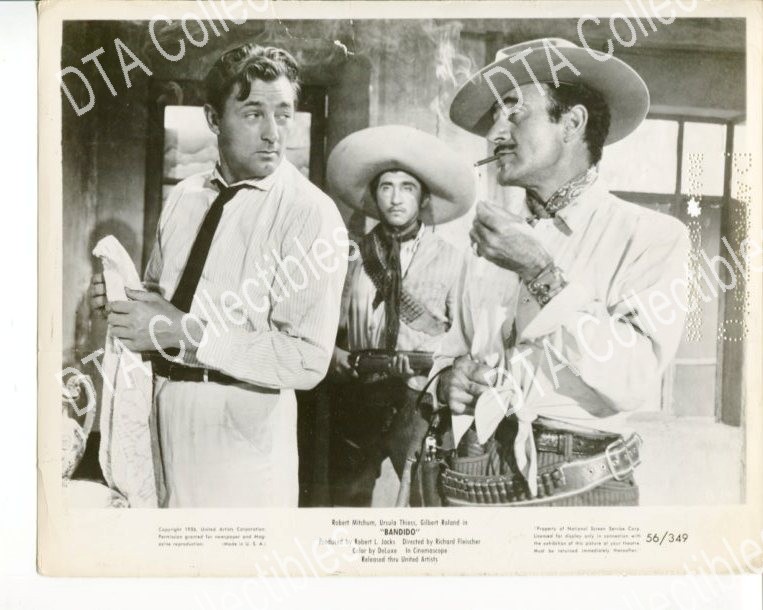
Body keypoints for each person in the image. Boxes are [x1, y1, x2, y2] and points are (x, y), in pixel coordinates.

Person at [431, 38, 690, 506]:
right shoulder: (488, 236)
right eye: (494, 117)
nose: (495, 133)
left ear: (572, 123)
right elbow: (451, 350)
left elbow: (632, 379)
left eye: (514, 112)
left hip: (579, 485)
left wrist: (540, 270)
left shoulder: (650, 236)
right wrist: (451, 378)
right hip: (475, 469)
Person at [89, 43, 348, 507]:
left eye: (284, 115)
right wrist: (123, 301)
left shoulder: (310, 212)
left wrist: (187, 333)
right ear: (213, 118)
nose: (273, 133)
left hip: (242, 431)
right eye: (253, 114)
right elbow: (162, 302)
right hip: (163, 409)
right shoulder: (185, 195)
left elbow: (307, 359)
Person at [325, 125, 474, 506]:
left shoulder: (452, 259)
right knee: (346, 501)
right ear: (374, 196)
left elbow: (464, 335)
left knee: (426, 501)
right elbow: (326, 325)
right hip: (358, 393)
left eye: (407, 187)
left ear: (423, 198)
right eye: (385, 187)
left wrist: (435, 368)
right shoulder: (352, 255)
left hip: (418, 397)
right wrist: (335, 356)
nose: (395, 198)